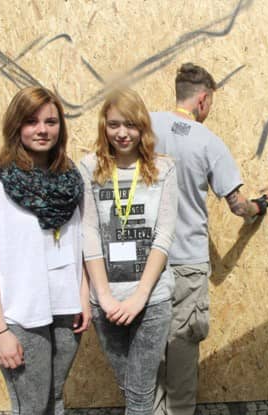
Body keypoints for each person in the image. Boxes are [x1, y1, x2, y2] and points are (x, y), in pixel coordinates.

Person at [151, 63, 268, 415]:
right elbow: (238, 206)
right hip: (186, 264)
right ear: (203, 99)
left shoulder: (145, 126)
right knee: (182, 354)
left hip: (145, 265)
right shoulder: (208, 142)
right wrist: (259, 206)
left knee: (149, 353)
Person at [0, 86, 90, 415]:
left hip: (66, 311)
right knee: (31, 407)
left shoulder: (71, 182)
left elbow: (79, 245)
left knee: (55, 399)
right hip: (20, 315)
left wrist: (83, 296)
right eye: (32, 121)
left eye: (51, 122)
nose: (42, 130)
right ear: (16, 125)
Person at [80, 88, 177, 415]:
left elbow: (164, 233)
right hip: (106, 303)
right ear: (104, 126)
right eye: (114, 125)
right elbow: (89, 231)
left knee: (138, 395)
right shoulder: (89, 167)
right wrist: (104, 296)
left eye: (131, 125)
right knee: (132, 389)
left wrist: (140, 296)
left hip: (151, 300)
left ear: (143, 127)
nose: (122, 133)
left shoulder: (164, 169)